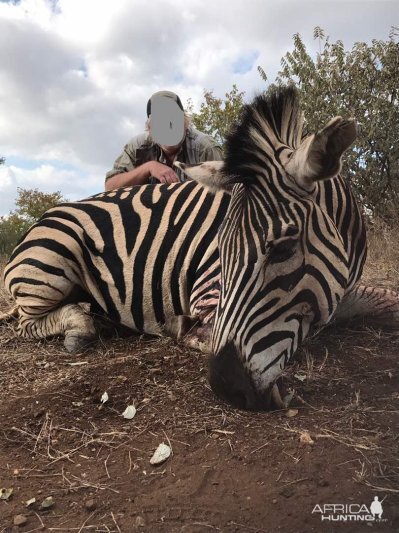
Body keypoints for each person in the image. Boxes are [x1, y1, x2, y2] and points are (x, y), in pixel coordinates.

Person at [105, 90, 223, 191]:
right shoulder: (137, 147)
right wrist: (149, 168)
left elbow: (226, 191)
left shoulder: (206, 147)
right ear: (150, 130)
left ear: (185, 125)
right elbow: (110, 187)